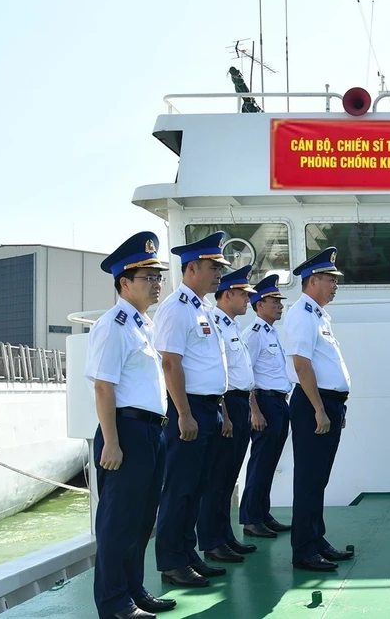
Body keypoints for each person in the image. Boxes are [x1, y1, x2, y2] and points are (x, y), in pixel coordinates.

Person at [87, 232, 174, 619]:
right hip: (124, 430)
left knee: (142, 520)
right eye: (149, 278)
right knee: (117, 523)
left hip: (151, 432)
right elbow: (104, 386)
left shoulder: (145, 326)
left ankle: (135, 591)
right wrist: (111, 441)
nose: (157, 284)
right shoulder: (114, 324)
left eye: (159, 277)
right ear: (124, 283)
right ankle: (114, 602)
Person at [153, 231, 232, 588]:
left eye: (219, 267)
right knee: (181, 488)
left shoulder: (203, 308)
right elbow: (171, 363)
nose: (218, 273)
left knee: (198, 486)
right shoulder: (176, 307)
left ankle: (188, 555)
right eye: (213, 267)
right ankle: (171, 561)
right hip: (190, 409)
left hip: (209, 407)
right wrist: (183, 413)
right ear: (192, 268)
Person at [283, 247, 355, 571]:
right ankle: (304, 550)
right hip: (314, 405)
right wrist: (319, 410)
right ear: (312, 281)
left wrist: (335, 406)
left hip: (327, 404)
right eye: (330, 279)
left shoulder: (319, 315)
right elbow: (302, 365)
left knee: (319, 479)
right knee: (309, 479)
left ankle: (316, 539)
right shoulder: (301, 314)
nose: (335, 285)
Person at [196, 265, 259, 564]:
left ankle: (225, 536)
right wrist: (226, 414)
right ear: (227, 294)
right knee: (217, 479)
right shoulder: (218, 325)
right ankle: (211, 541)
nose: (248, 300)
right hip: (227, 404)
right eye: (243, 295)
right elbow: (219, 373)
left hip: (240, 403)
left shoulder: (232, 326)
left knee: (230, 476)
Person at [241, 273, 294, 538]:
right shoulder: (253, 334)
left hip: (278, 403)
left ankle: (262, 513)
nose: (280, 305)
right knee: (260, 461)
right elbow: (245, 375)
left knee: (270, 462)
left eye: (279, 301)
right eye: (274, 300)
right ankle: (251, 519)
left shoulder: (271, 332)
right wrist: (254, 410)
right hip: (264, 403)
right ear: (259, 304)